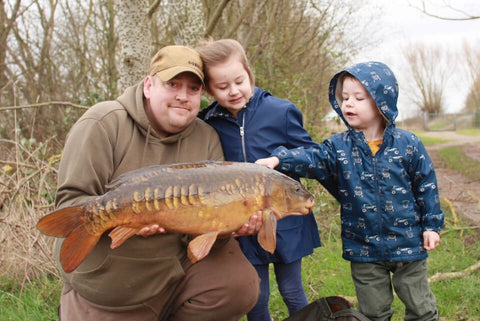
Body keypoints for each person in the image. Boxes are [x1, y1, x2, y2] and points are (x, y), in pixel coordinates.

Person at [52, 45, 261, 321]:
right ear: (148, 85)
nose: (182, 96)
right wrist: (126, 220)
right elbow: (69, 202)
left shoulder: (206, 137)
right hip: (112, 278)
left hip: (174, 265)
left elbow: (208, 227)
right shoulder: (102, 123)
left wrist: (231, 223)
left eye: (193, 89)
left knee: (239, 283)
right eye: (172, 84)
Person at [256, 61, 444, 321]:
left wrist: (431, 226)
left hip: (408, 245)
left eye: (358, 98)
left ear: (381, 102)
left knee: (421, 308)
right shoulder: (337, 147)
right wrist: (279, 159)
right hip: (364, 249)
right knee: (373, 312)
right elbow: (313, 158)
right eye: (344, 98)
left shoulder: (408, 145)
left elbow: (426, 186)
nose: (348, 104)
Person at [196, 39, 321, 321]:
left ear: (249, 73)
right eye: (222, 86)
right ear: (208, 89)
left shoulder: (281, 111)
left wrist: (281, 159)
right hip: (243, 224)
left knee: (292, 290)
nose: (234, 91)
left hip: (285, 219)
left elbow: (314, 155)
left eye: (239, 81)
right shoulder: (208, 124)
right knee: (256, 296)